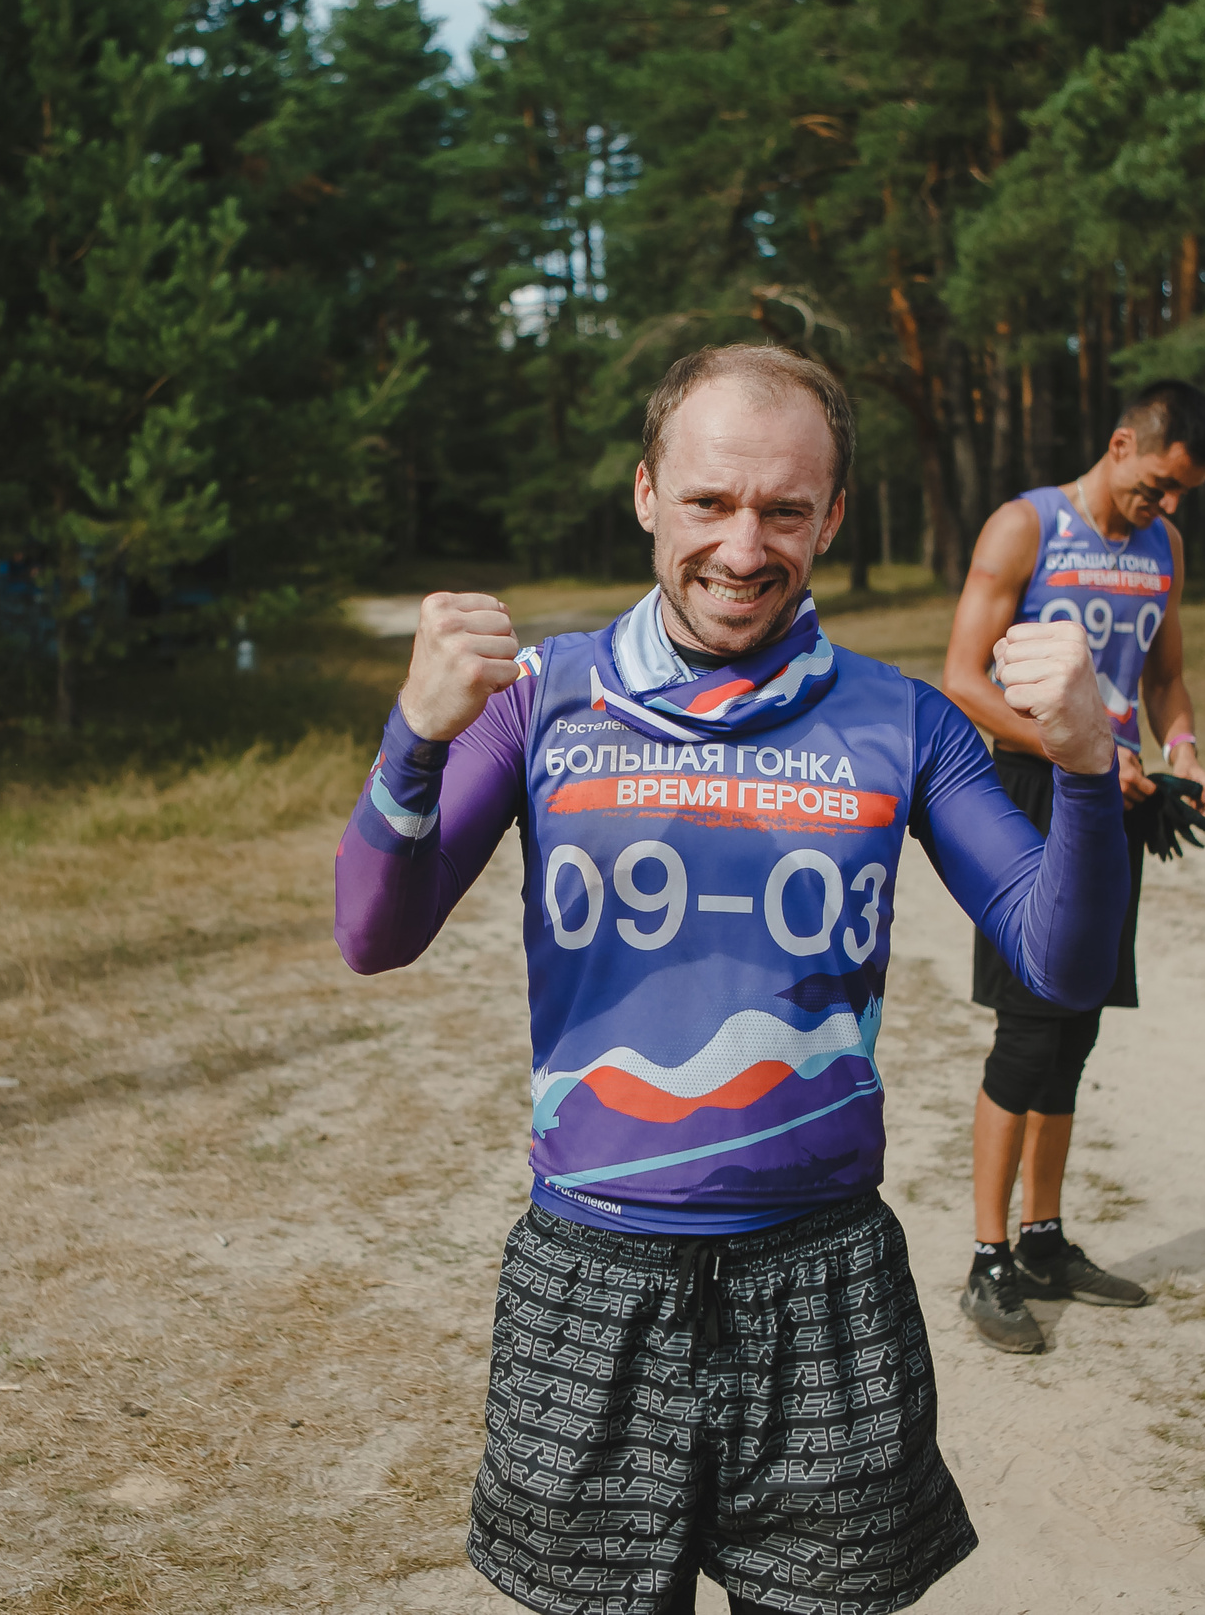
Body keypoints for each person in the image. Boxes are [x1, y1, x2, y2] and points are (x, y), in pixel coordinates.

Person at [335, 344, 1131, 1615]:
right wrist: (414, 737)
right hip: (591, 1276)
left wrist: (1087, 772)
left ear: (833, 517)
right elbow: (375, 934)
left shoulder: (903, 721)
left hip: (823, 1283)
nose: (743, 548)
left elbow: (1059, 959)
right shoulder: (543, 698)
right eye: (709, 503)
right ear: (647, 492)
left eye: (784, 510)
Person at [937, 380, 1205, 1351]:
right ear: (1117, 445)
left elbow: (1162, 675)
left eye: (1180, 494)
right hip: (1027, 800)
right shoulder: (1025, 528)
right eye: (1157, 485)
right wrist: (1079, 750)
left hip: (1116, 804)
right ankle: (986, 1259)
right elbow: (963, 678)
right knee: (1024, 1037)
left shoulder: (1163, 549)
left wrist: (1180, 749)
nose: (1166, 507)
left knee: (1075, 1033)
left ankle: (1043, 1237)